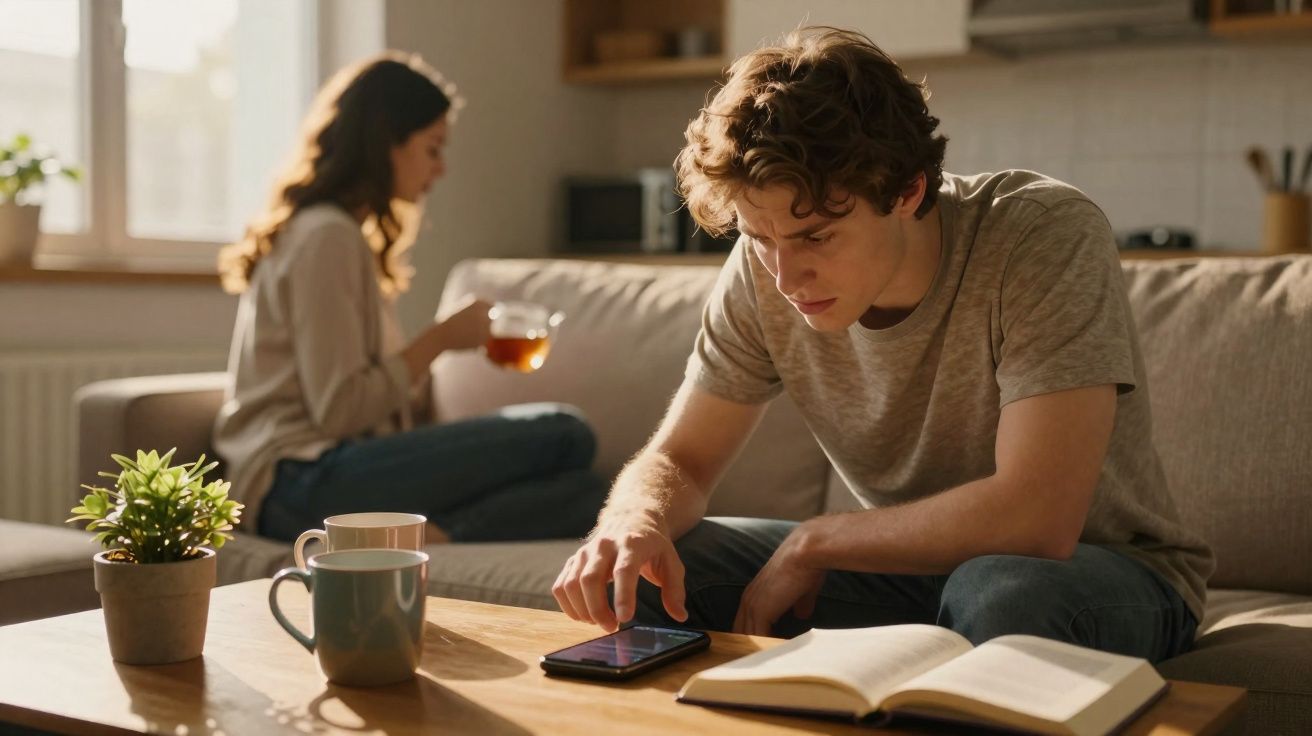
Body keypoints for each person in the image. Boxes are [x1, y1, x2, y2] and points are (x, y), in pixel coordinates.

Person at [552, 28, 1213, 663]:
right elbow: (685, 459)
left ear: (906, 191)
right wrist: (631, 524)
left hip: (1097, 573)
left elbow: (1037, 517)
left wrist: (820, 540)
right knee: (660, 570)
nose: (784, 276)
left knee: (1002, 591)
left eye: (815, 237)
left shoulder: (1041, 235)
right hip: (906, 571)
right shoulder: (766, 267)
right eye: (757, 237)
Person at [214, 52, 607, 544]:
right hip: (296, 482)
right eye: (432, 148)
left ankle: (432, 534)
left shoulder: (339, 235)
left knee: (589, 492)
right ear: (386, 145)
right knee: (566, 432)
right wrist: (439, 340)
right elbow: (339, 411)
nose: (440, 169)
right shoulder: (326, 238)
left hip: (321, 478)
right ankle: (432, 533)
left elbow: (357, 396)